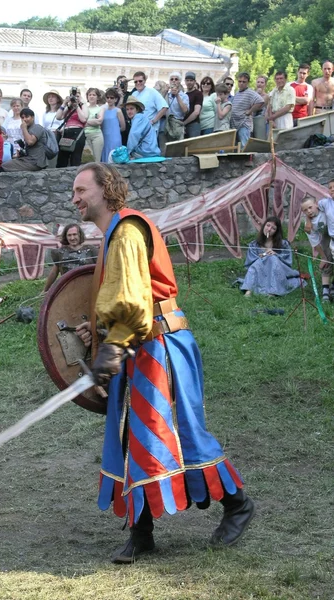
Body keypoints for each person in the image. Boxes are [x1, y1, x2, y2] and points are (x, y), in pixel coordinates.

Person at [72, 162, 256, 564]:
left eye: (81, 189)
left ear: (105, 189)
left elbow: (136, 304)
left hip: (158, 346)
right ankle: (141, 533)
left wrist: (113, 344)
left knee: (179, 433)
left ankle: (238, 504)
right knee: (127, 438)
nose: (75, 198)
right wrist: (99, 332)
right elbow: (126, 297)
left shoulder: (127, 230)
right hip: (138, 345)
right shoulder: (113, 233)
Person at [239, 217, 302, 297]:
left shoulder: (283, 244)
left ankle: (273, 291)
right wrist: (262, 257)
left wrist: (276, 254)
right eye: (268, 225)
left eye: (273, 228)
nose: (269, 229)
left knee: (272, 258)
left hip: (278, 269)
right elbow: (250, 262)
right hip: (260, 270)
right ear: (264, 226)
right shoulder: (254, 244)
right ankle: (249, 290)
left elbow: (287, 261)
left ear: (276, 232)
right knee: (261, 261)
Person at [42, 223, 98, 293]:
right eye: (69, 235)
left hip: (88, 289)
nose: (72, 238)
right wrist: (45, 290)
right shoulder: (60, 252)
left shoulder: (91, 250)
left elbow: (100, 269)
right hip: (67, 290)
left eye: (74, 234)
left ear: (80, 234)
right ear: (66, 236)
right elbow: (54, 272)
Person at [301, 197, 334, 302]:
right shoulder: (308, 226)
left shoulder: (324, 209)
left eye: (310, 207)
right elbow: (315, 242)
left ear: (316, 204)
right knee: (327, 261)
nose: (309, 211)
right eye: (305, 210)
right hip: (325, 237)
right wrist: (323, 257)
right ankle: (326, 291)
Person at [55, 87, 89, 168]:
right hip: (66, 133)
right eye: (73, 96)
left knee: (75, 159)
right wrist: (64, 103)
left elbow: (83, 119)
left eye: (77, 96)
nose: (75, 98)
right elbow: (58, 117)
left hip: (78, 133)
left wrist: (77, 106)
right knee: (62, 160)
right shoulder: (69, 107)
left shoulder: (83, 106)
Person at [230, 73, 264, 149]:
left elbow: (260, 101)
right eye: (240, 81)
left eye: (244, 82)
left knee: (244, 146)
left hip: (244, 124)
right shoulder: (237, 92)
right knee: (237, 147)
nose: (241, 83)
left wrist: (250, 111)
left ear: (247, 82)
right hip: (235, 124)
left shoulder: (250, 92)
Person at [132, 71, 168, 136]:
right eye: (136, 81)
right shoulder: (134, 94)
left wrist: (153, 121)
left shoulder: (152, 91)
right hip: (137, 129)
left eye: (140, 81)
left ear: (145, 81)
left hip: (150, 130)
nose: (138, 83)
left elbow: (164, 107)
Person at [101, 88, 125, 162]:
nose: (109, 99)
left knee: (114, 157)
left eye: (112, 98)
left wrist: (115, 131)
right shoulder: (103, 110)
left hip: (115, 138)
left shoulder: (118, 111)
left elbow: (123, 127)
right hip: (104, 137)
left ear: (115, 99)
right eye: (107, 97)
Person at [42, 90, 64, 168]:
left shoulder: (62, 111)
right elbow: (43, 126)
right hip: (48, 136)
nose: (50, 99)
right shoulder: (46, 113)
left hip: (58, 135)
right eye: (49, 97)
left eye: (53, 97)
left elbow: (64, 123)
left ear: (57, 99)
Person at [165, 72, 188, 143]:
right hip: (166, 125)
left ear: (179, 82)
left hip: (177, 125)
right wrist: (165, 91)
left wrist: (177, 95)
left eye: (176, 79)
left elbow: (185, 110)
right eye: (172, 79)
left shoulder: (184, 96)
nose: (174, 81)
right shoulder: (167, 95)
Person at [85, 88, 105, 163]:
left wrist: (86, 122)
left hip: (97, 135)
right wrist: (93, 121)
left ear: (97, 97)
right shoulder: (84, 108)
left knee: (97, 160)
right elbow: (81, 122)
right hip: (85, 135)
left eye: (94, 95)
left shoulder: (101, 109)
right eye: (90, 95)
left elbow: (99, 121)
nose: (91, 96)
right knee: (87, 160)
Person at [183, 72, 203, 138]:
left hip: (194, 125)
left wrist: (184, 122)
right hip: (183, 126)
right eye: (187, 80)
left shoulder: (198, 93)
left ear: (195, 82)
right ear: (185, 81)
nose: (189, 82)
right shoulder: (184, 95)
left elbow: (196, 112)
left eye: (191, 80)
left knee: (193, 147)